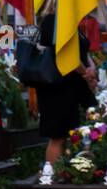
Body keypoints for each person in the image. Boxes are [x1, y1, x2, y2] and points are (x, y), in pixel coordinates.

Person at [33, 12, 97, 165]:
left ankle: (69, 172)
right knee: (58, 136)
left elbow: (82, 51)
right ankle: (52, 177)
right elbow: (66, 54)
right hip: (57, 87)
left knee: (73, 134)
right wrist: (86, 74)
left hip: (74, 88)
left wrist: (91, 67)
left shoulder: (71, 21)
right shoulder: (53, 21)